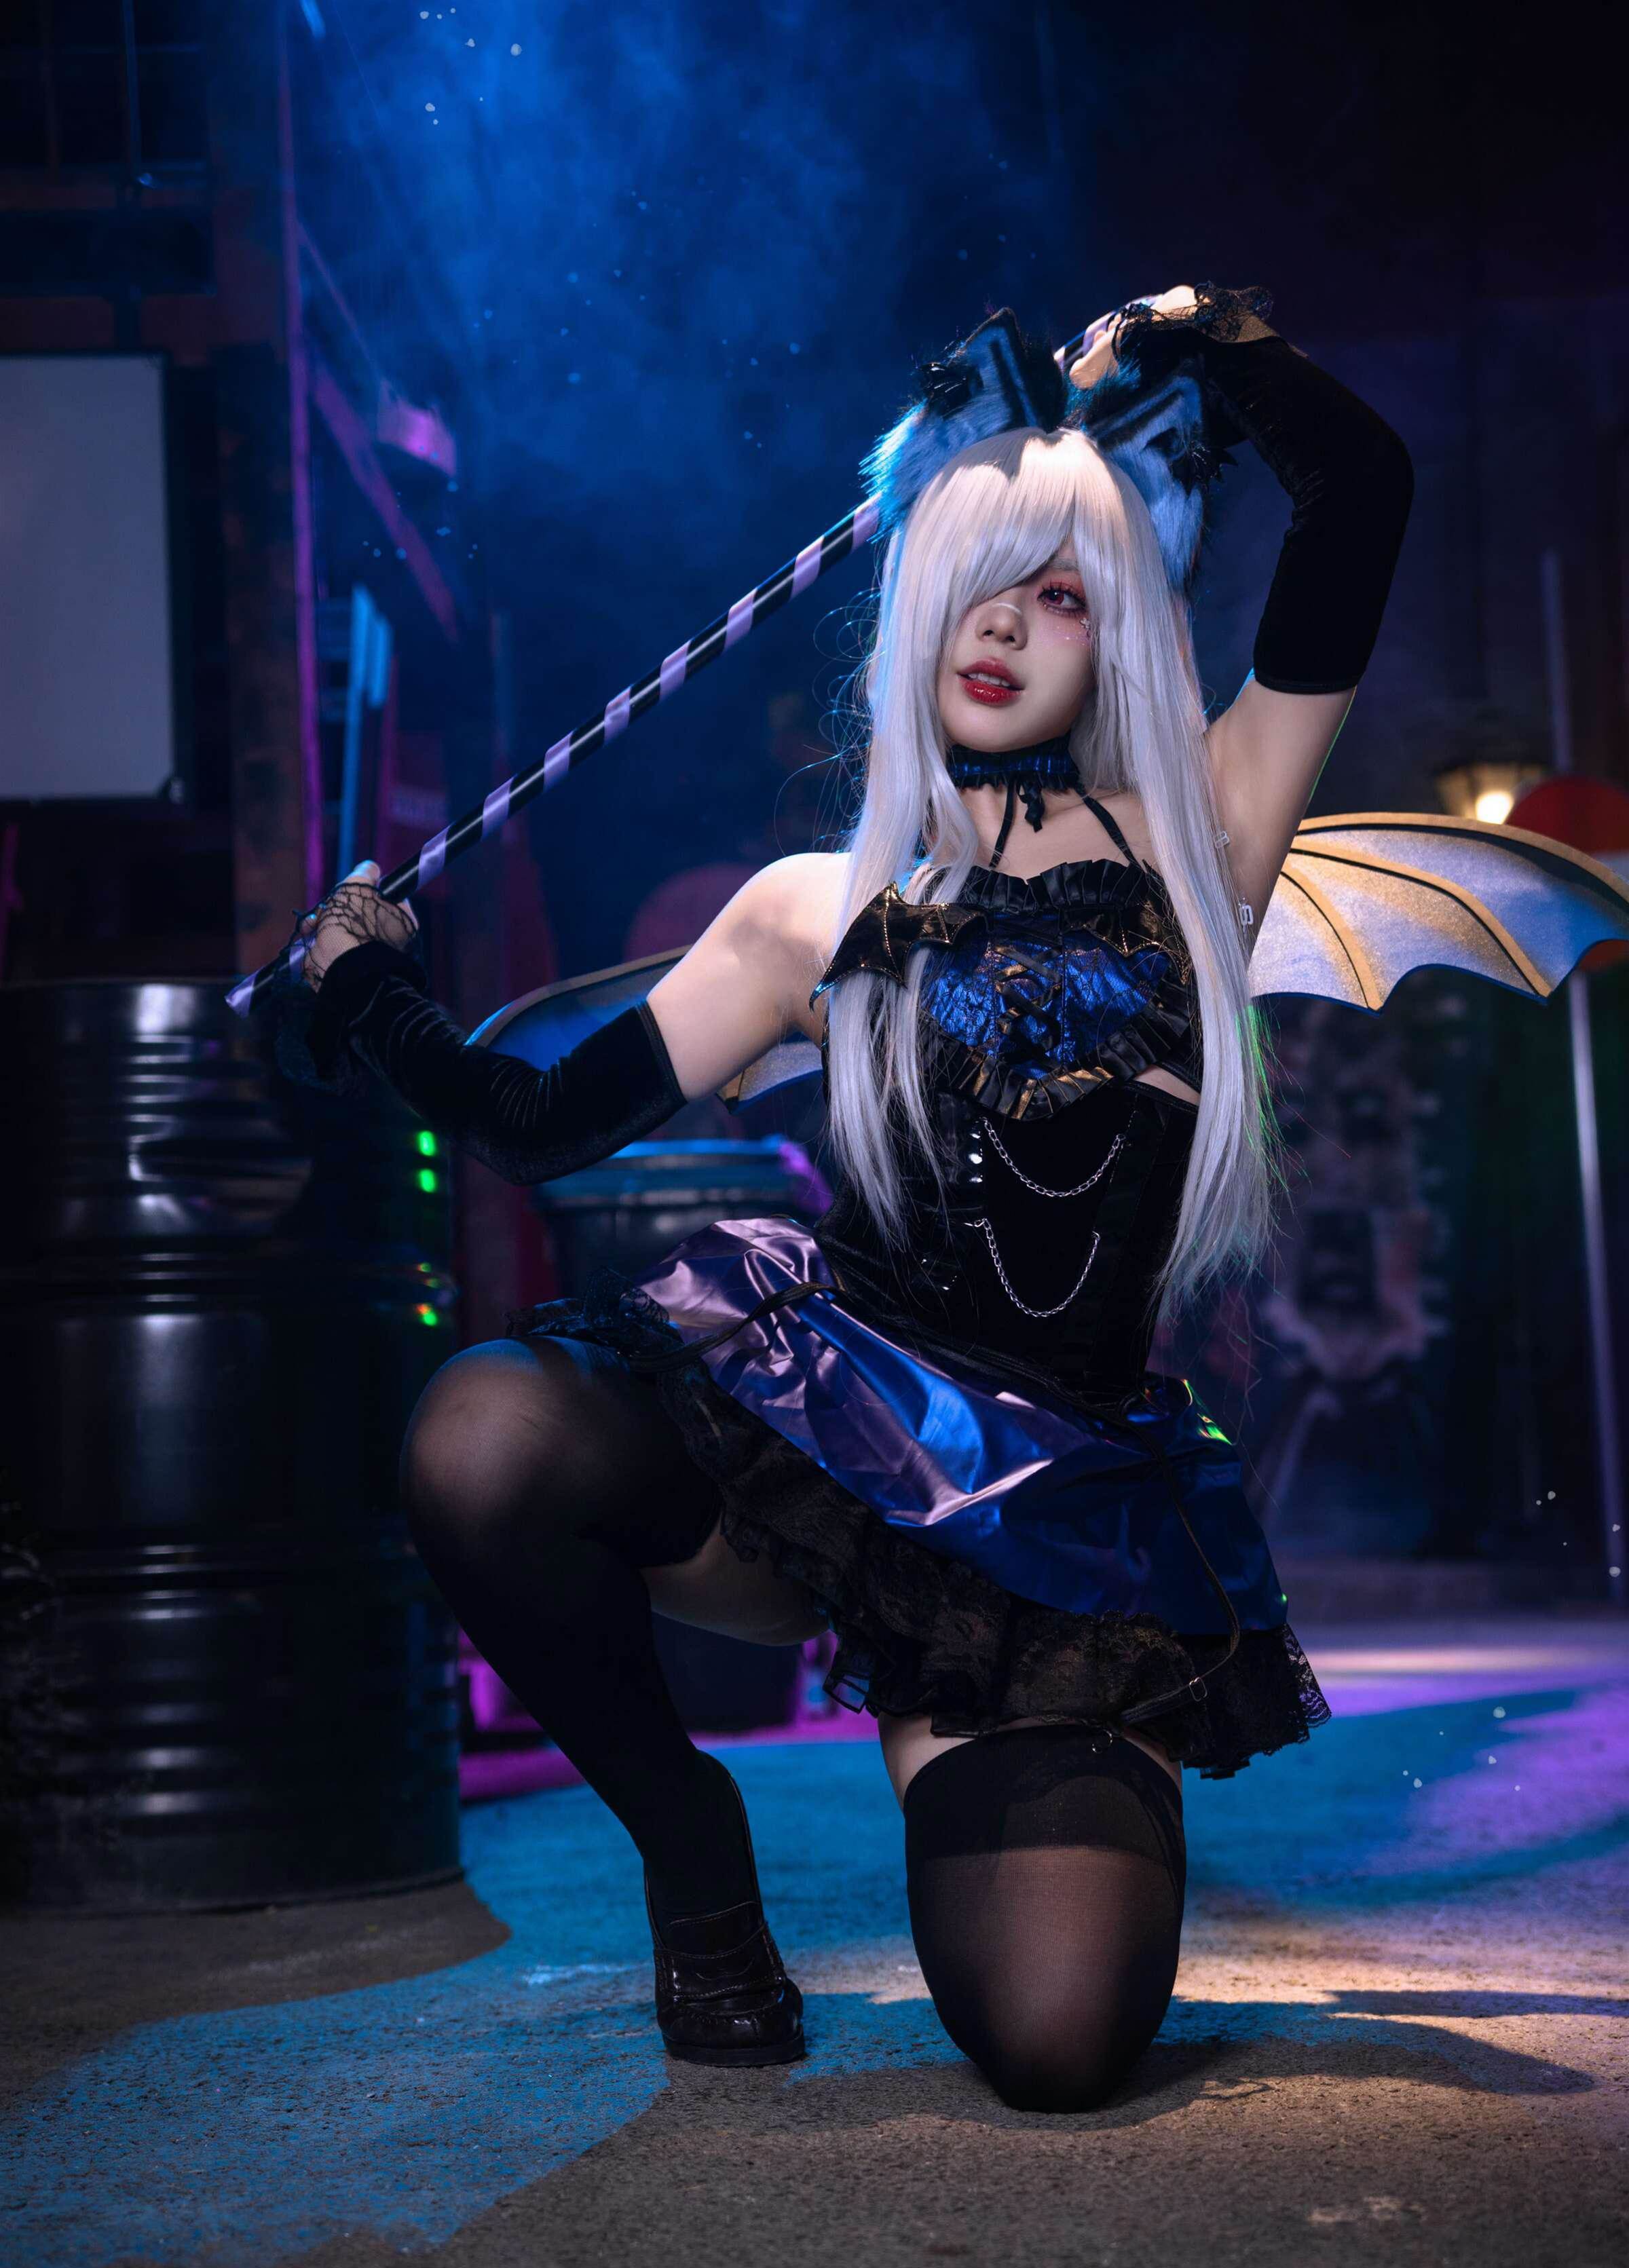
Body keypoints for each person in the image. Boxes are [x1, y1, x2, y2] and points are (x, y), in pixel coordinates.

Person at [289, 283, 1412, 2110]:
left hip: (1066, 1531)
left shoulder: (1208, 834)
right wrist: (369, 991)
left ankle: (977, 1749)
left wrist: (1209, 336)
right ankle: (691, 1850)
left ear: (1122, 630)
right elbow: (542, 1120)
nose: (1008, 624)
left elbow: (1362, 498)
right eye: (978, 579)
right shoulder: (817, 907)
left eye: (1062, 594)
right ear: (915, 599)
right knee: (483, 1438)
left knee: (1058, 2044)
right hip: (832, 1435)